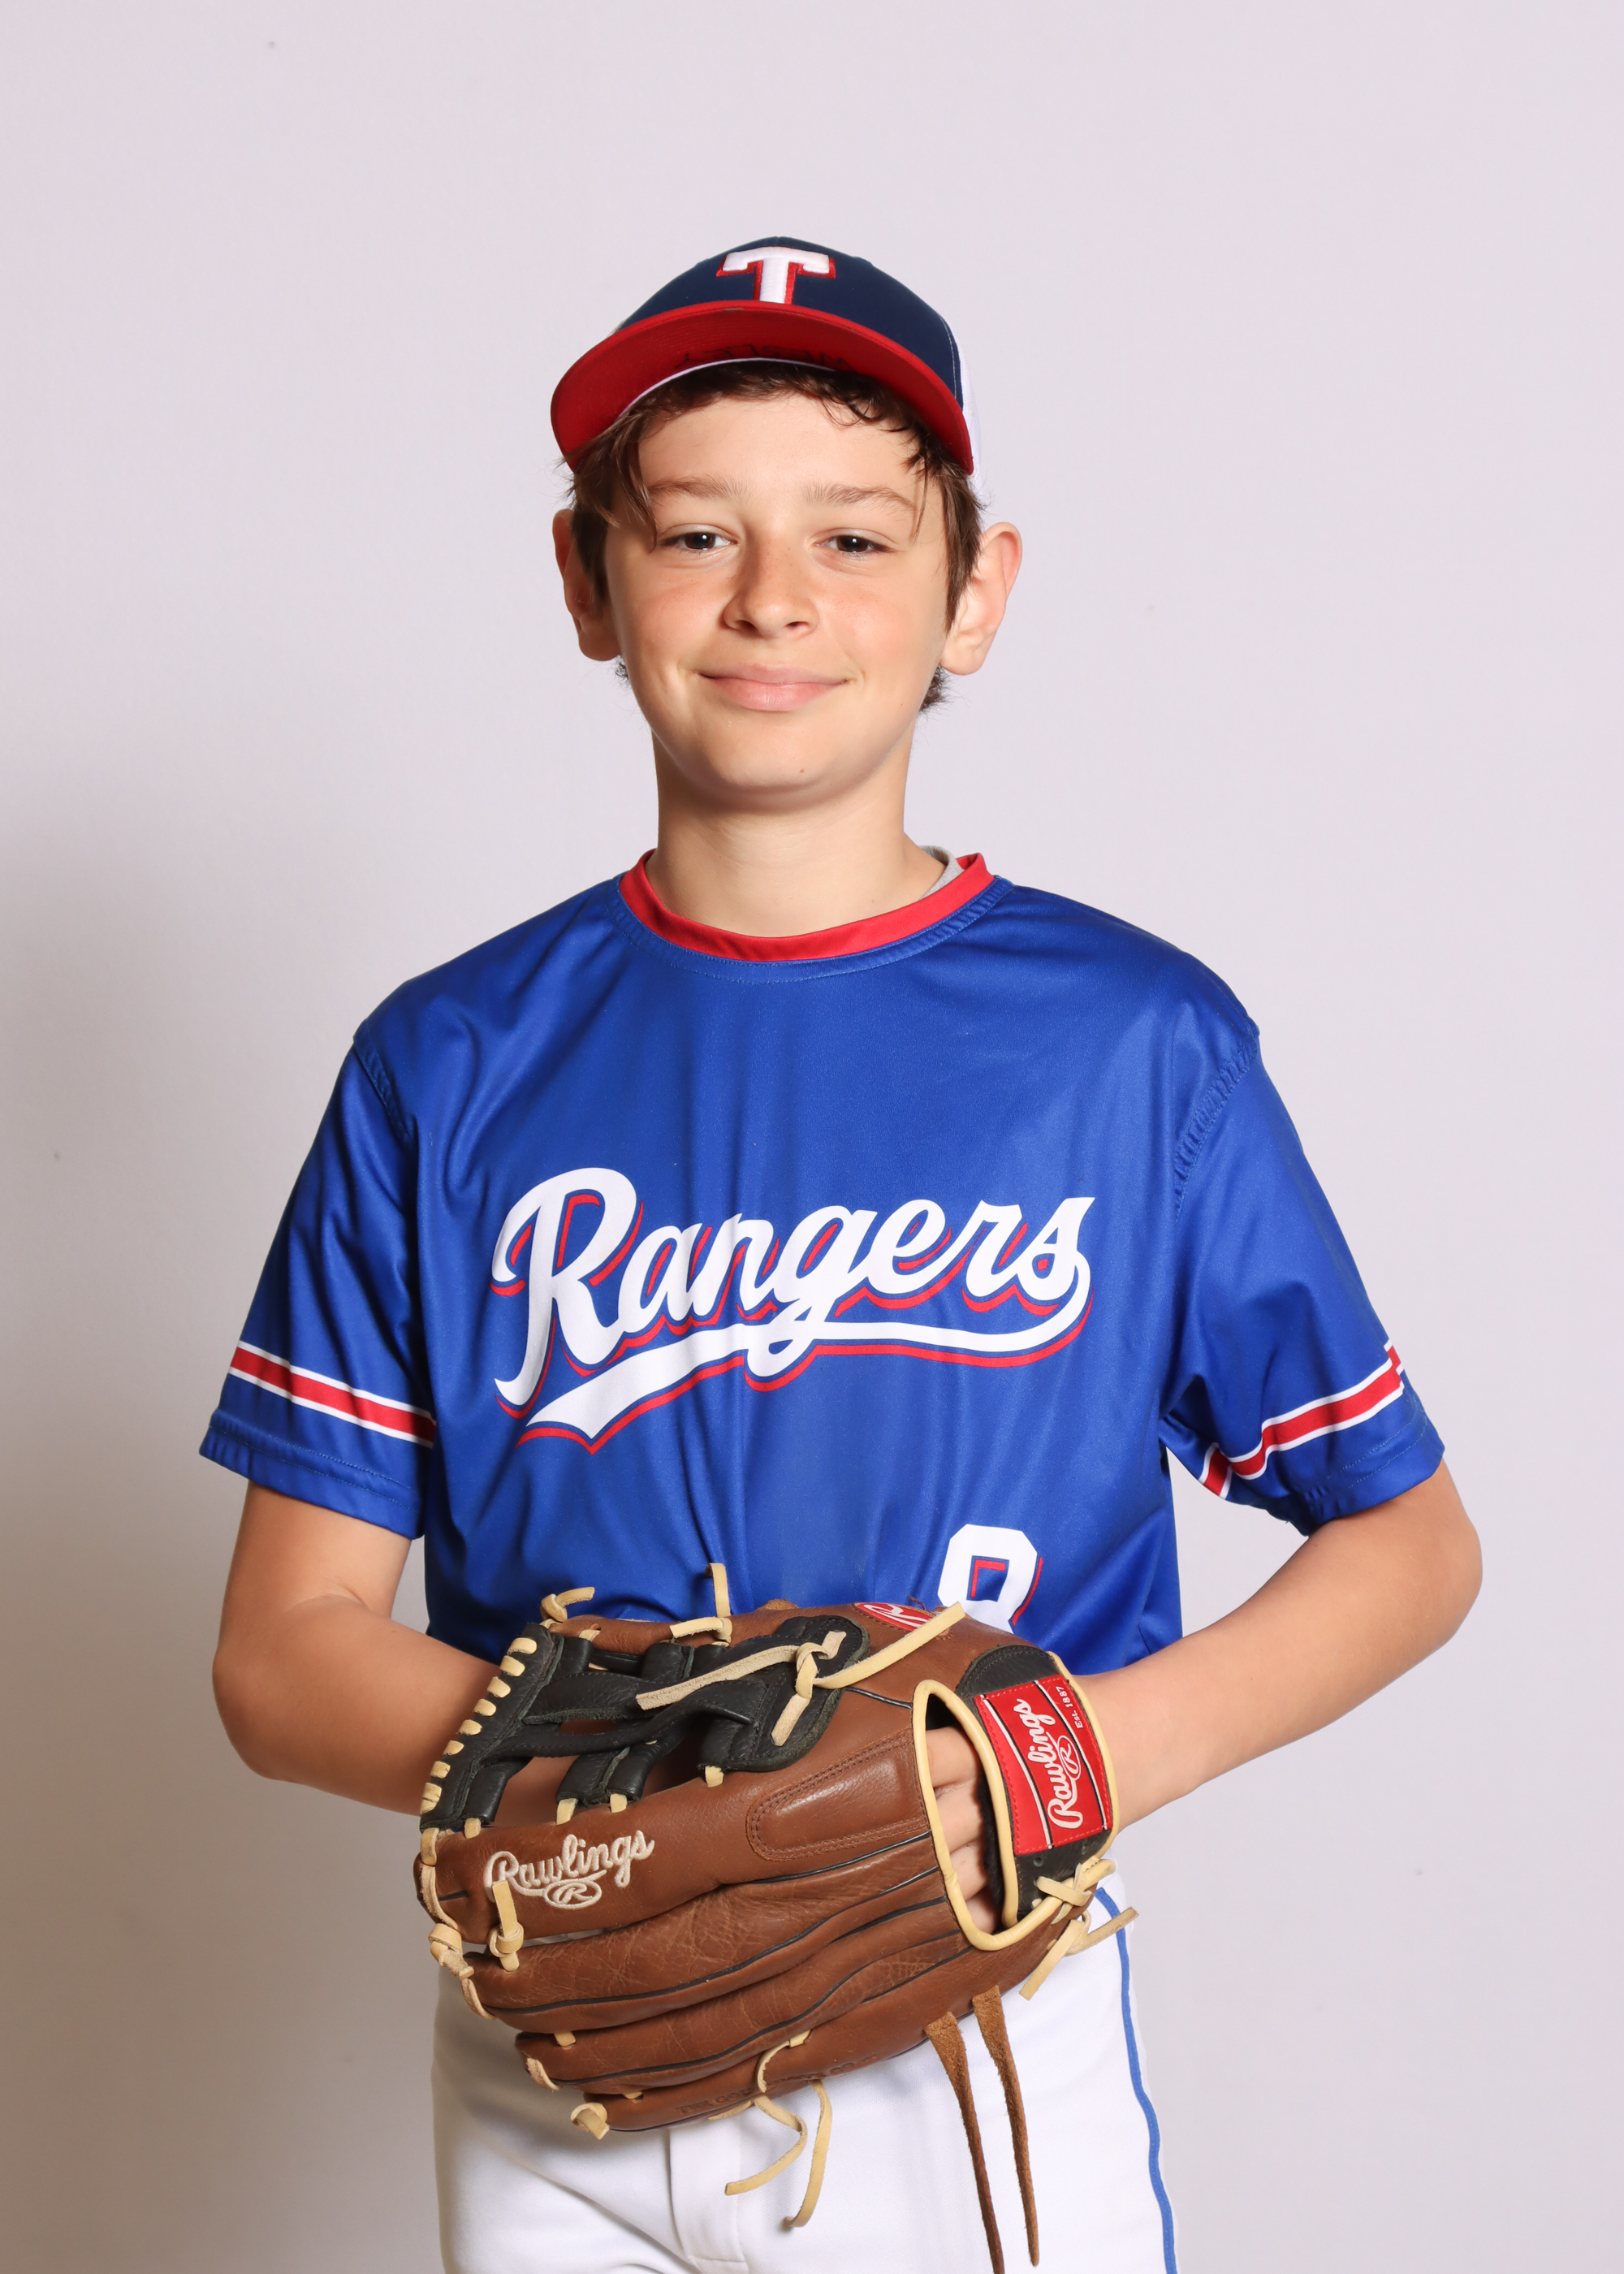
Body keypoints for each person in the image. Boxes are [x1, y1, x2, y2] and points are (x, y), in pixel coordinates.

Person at [207, 237, 1481, 2274]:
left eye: (856, 536)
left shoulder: (1128, 1044)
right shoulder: (448, 1062)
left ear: (975, 589)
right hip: (563, 2026)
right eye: (694, 529)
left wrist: (1058, 1757)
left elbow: (1410, 1541)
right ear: (585, 579)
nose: (773, 597)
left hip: (959, 2008)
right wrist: (638, 1777)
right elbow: (282, 1653)